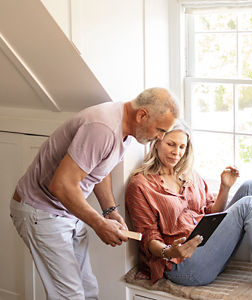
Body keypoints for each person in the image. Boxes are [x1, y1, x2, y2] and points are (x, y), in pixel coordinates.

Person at [10, 87, 179, 300]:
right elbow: (61, 185)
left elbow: (99, 170)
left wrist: (109, 211)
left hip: (67, 209)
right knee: (70, 295)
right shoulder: (103, 128)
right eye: (160, 130)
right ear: (142, 115)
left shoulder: (126, 129)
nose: (160, 137)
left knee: (88, 290)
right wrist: (99, 224)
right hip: (41, 211)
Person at [125, 119, 252, 300]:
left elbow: (212, 215)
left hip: (209, 250)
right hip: (184, 266)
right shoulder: (141, 185)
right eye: (171, 144)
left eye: (181, 147)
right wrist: (170, 251)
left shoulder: (189, 175)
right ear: (157, 142)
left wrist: (224, 188)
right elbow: (147, 237)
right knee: (247, 204)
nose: (176, 153)